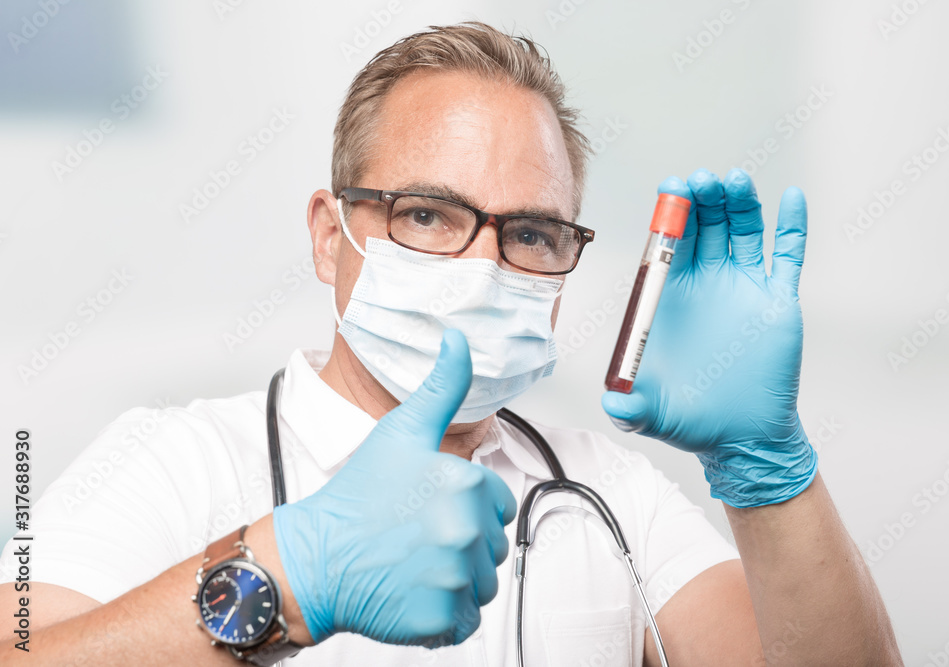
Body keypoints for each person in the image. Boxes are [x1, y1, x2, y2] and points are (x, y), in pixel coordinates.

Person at [0, 21, 903, 666]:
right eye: (428, 214)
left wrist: (767, 470)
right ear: (330, 232)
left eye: (533, 234)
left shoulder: (608, 493)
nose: (482, 265)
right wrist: (286, 578)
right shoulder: (173, 461)